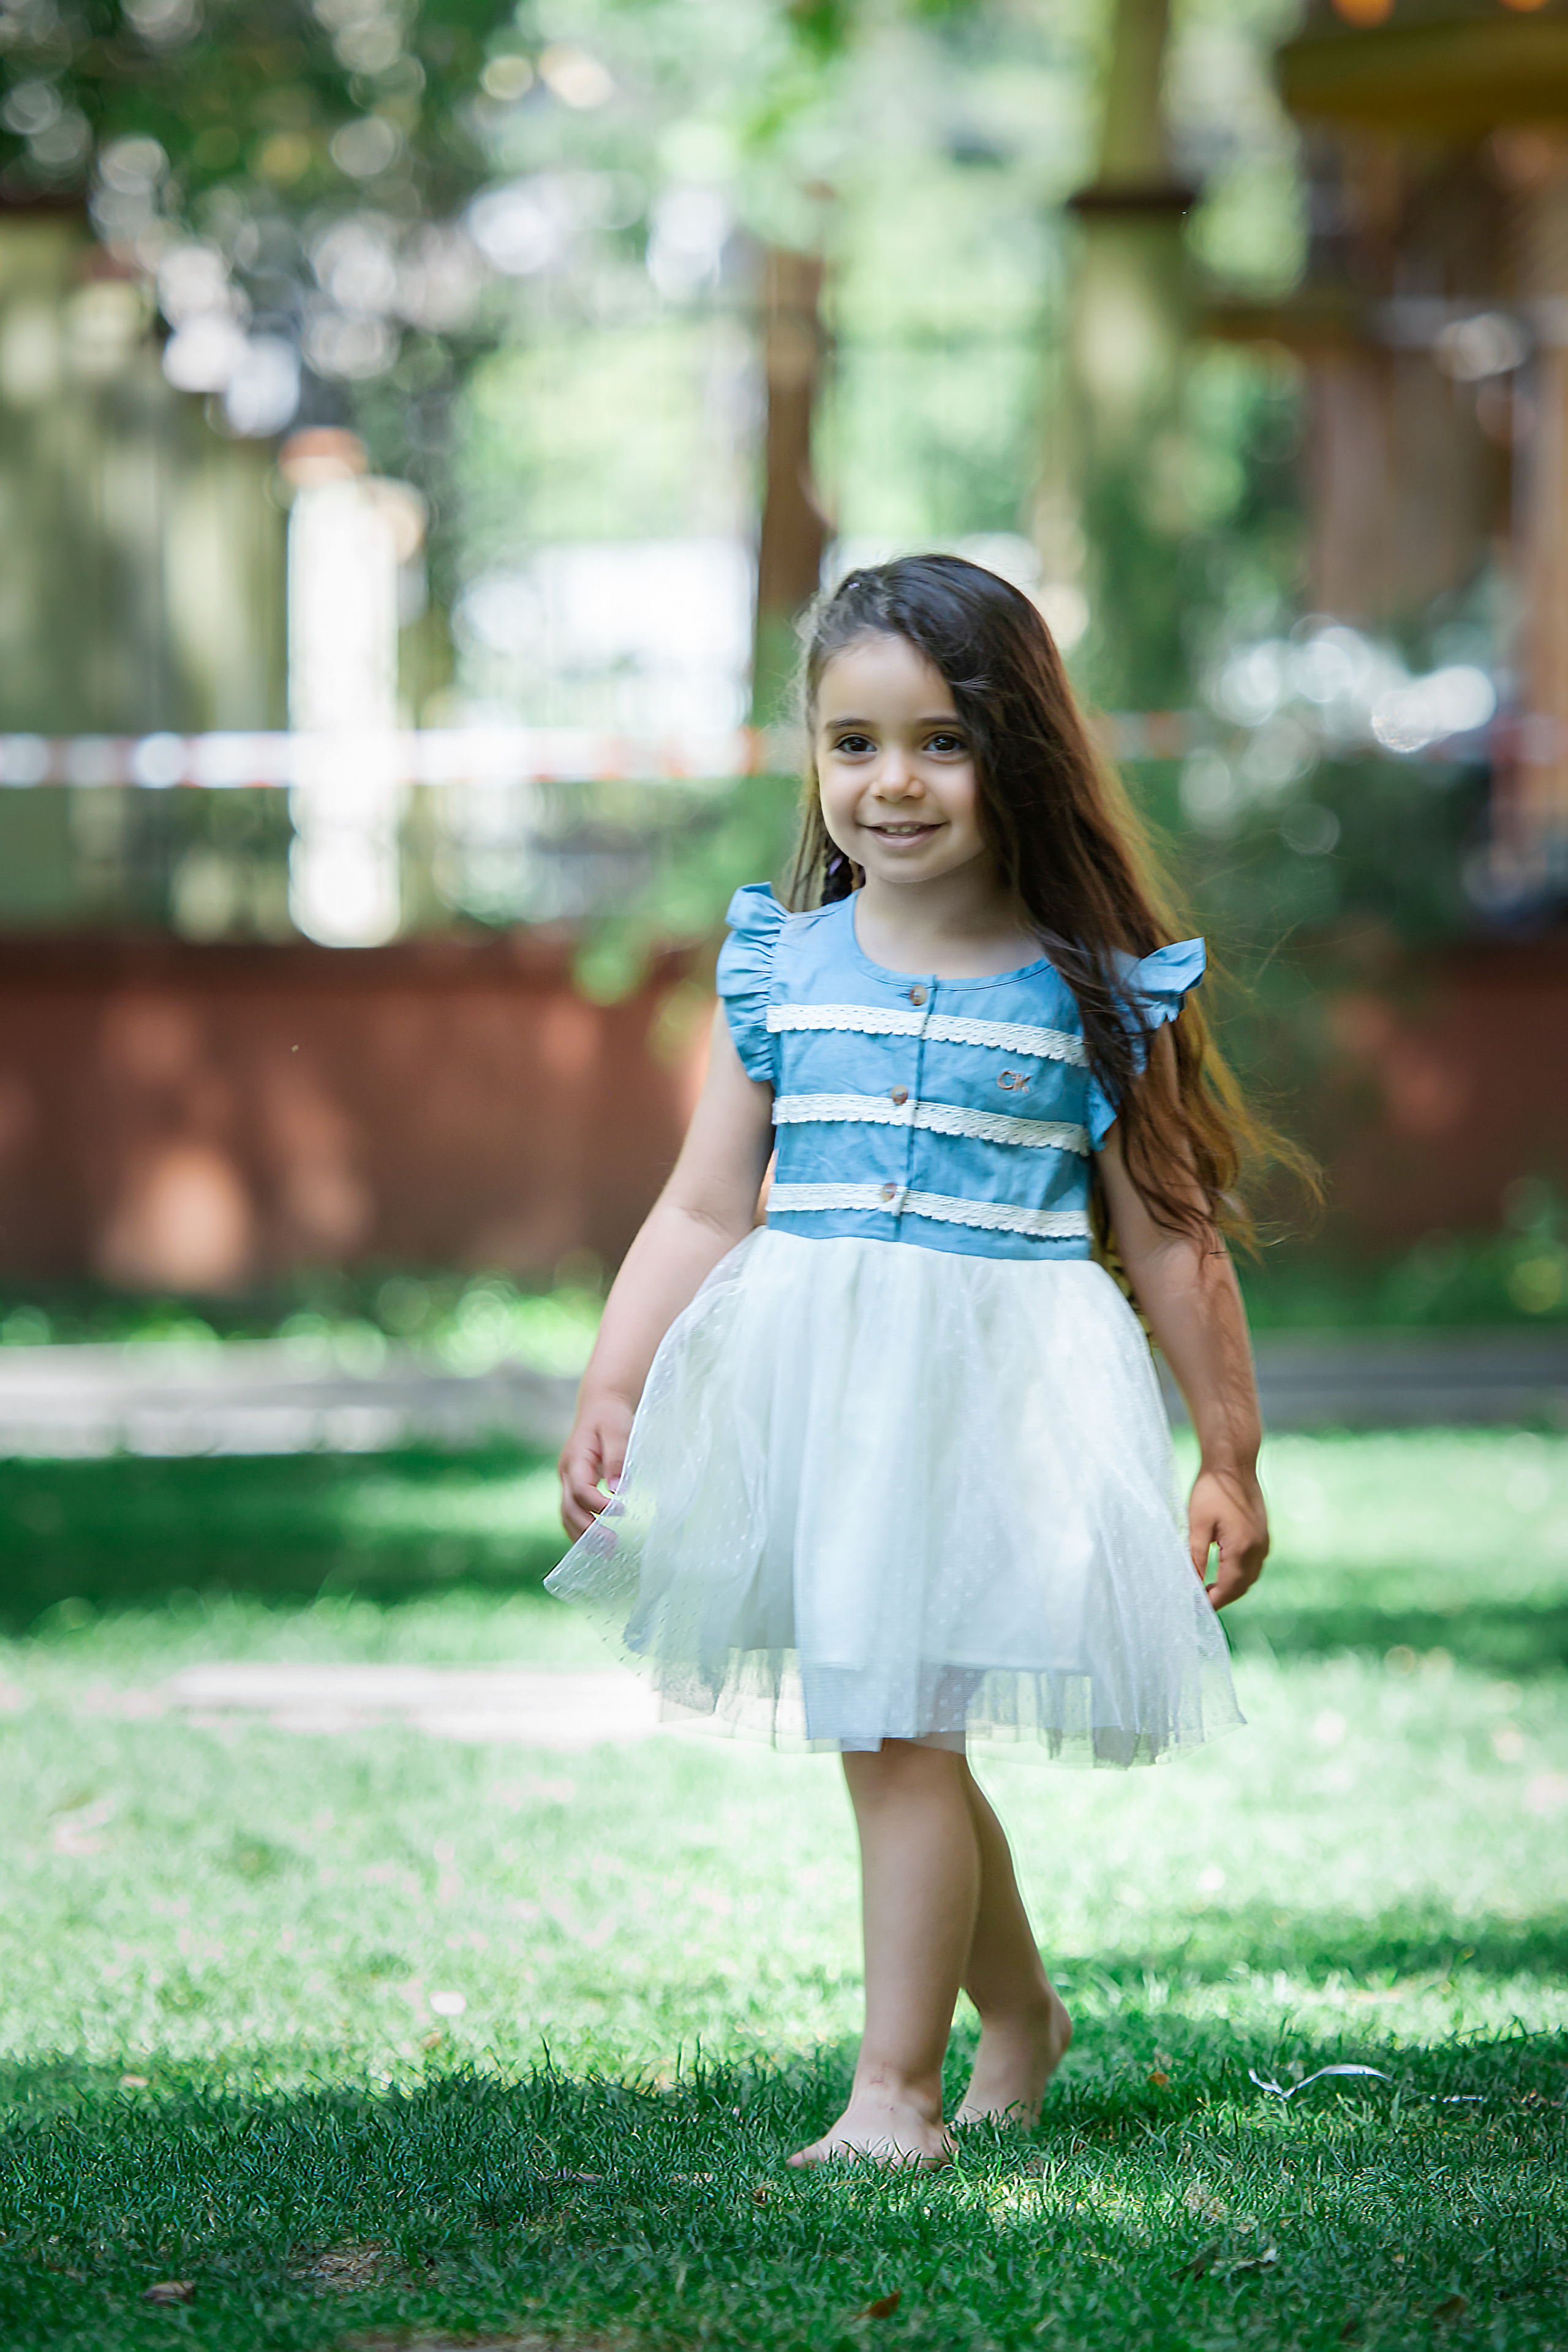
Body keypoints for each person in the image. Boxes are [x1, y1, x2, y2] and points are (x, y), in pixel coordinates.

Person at [548, 552, 1278, 2169]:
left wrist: (1226, 1451)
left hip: (1000, 1404)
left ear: (1019, 753)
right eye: (853, 742)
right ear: (812, 759)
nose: (892, 782)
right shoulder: (783, 970)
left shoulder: (1094, 996)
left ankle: (898, 2095)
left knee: (896, 1728)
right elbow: (699, 1204)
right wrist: (614, 1384)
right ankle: (1014, 2015)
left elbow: (1169, 1234)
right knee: (895, 1721)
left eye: (941, 740)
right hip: (825, 1396)